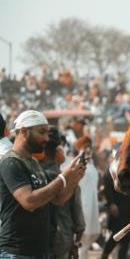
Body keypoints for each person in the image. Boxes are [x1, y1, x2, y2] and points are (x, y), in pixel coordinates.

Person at [0, 110, 85, 258]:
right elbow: (29, 201)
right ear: (24, 132)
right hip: (16, 252)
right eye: (42, 132)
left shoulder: (33, 163)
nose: (46, 138)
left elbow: (57, 199)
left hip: (40, 251)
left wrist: (74, 178)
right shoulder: (10, 162)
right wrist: (63, 178)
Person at [39, 126, 86, 259]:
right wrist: (76, 244)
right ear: (59, 152)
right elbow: (80, 223)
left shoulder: (33, 178)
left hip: (37, 243)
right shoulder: (71, 181)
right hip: (62, 242)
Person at [101, 165, 130, 259]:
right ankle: (104, 254)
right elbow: (107, 182)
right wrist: (111, 203)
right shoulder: (113, 167)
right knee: (116, 234)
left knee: (127, 237)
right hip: (119, 207)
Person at [76, 136, 102, 259]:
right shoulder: (76, 163)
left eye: (89, 146)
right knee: (81, 240)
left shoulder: (92, 164)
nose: (88, 148)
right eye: (85, 146)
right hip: (82, 204)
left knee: (89, 237)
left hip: (92, 204)